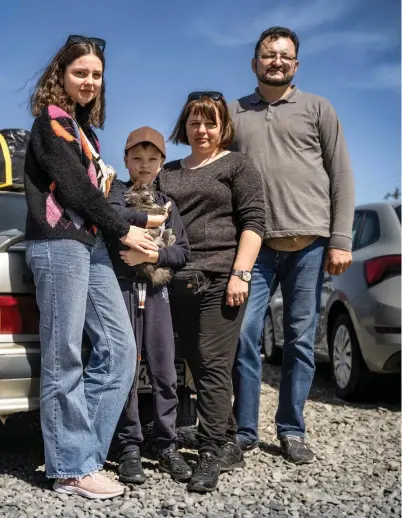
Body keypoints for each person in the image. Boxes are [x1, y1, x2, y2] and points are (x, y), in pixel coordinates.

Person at [24, 35, 158, 499]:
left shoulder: (87, 133)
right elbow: (77, 194)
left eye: (97, 74)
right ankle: (69, 469)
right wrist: (126, 231)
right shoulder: (51, 124)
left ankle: (81, 458)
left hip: (92, 244)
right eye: (81, 72)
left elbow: (98, 198)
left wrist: (139, 218)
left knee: (121, 354)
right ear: (60, 74)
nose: (90, 81)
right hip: (59, 245)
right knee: (65, 359)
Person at [229, 26, 355, 463]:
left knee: (300, 341)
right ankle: (243, 431)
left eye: (284, 56)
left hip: (310, 247)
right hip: (255, 248)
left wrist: (340, 239)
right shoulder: (234, 113)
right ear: (255, 63)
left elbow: (341, 176)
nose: (276, 61)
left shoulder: (319, 108)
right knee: (244, 336)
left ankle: (290, 429)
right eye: (268, 55)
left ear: (295, 64)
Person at [156, 91, 265, 492]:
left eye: (210, 123)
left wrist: (242, 274)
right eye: (195, 122)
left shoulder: (237, 165)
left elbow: (255, 222)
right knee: (194, 363)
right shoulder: (167, 172)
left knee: (214, 364)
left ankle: (210, 451)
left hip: (221, 278)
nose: (202, 130)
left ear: (223, 127)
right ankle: (228, 436)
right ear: (184, 125)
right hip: (174, 279)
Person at [108, 126, 192, 484]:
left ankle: (167, 442)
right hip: (122, 291)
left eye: (152, 159)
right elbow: (110, 217)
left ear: (161, 164)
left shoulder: (168, 203)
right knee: (126, 368)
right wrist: (142, 225)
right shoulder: (113, 192)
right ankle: (129, 446)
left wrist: (154, 252)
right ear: (125, 160)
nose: (144, 166)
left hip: (157, 293)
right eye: (137, 158)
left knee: (164, 371)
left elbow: (183, 252)